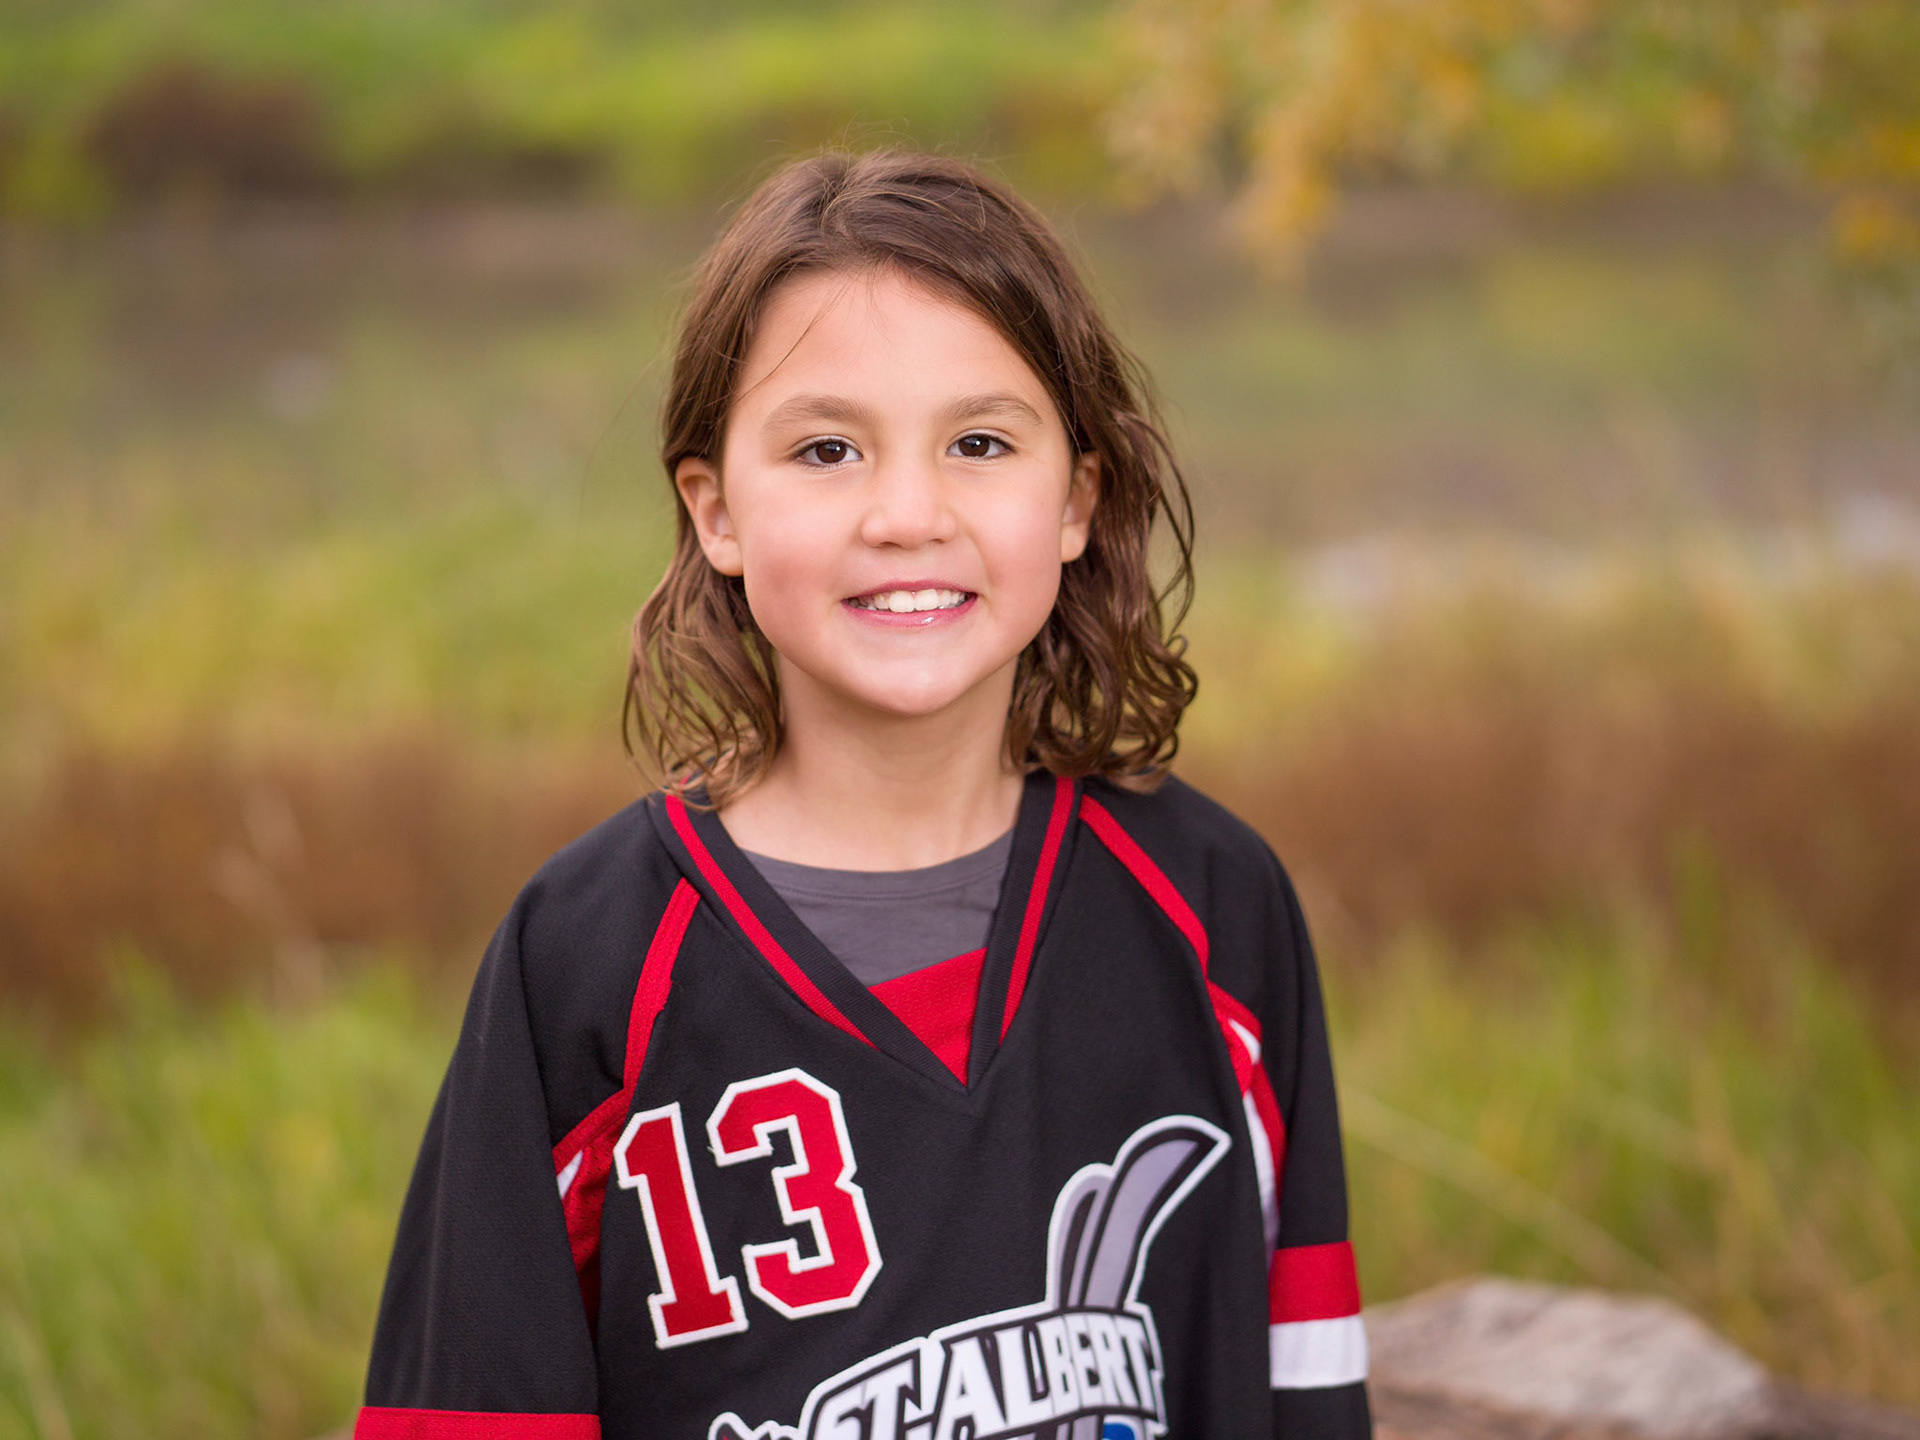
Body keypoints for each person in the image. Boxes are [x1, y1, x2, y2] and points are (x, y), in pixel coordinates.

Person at [355, 147, 1371, 1440]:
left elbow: (1306, 1375)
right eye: (827, 448)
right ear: (716, 512)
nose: (906, 513)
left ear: (1077, 498)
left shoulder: (1214, 908)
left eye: (980, 443)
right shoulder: (586, 962)